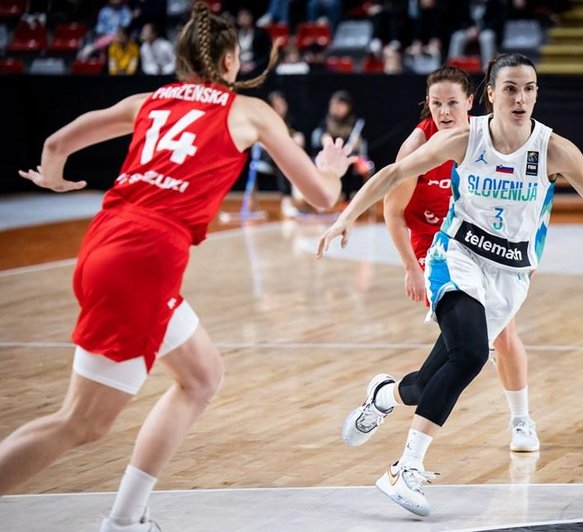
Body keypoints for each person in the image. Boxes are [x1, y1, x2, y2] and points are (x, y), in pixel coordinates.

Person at [0, 3, 355, 531]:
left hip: (104, 244)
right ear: (232, 60)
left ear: (184, 60)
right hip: (144, 262)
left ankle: (125, 519)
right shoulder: (249, 112)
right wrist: (331, 169)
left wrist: (54, 177)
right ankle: (120, 522)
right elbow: (323, 197)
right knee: (80, 422)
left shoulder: (149, 99)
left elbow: (56, 144)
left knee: (201, 376)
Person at [318, 52, 583, 517]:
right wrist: (345, 216)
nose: (520, 97)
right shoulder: (466, 138)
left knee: (429, 382)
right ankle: (405, 467)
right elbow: (394, 174)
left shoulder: (554, 149)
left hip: (511, 274)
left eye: (528, 88)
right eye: (509, 88)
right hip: (457, 257)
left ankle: (384, 395)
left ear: (537, 93)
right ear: (490, 94)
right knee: (471, 354)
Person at [383, 64, 539, 453]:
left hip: (484, 244)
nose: (445, 111)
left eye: (453, 102)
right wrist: (409, 267)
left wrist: (523, 253)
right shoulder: (418, 147)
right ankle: (411, 455)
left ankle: (520, 420)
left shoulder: (491, 137)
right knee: (477, 345)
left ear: (471, 101)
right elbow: (392, 210)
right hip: (433, 247)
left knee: (498, 336)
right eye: (436, 104)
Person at [311, 90, 370, 201]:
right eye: (333, 104)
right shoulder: (326, 122)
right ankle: (321, 198)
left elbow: (358, 142)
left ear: (348, 106)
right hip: (330, 157)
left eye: (340, 105)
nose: (336, 108)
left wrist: (350, 147)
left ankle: (348, 200)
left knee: (350, 162)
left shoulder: (355, 122)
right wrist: (330, 146)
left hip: (349, 157)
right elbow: (324, 137)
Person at [266, 90, 306, 217]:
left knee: (296, 159)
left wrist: (297, 140)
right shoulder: (267, 121)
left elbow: (300, 138)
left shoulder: (291, 121)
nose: (280, 108)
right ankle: (287, 200)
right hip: (271, 156)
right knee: (282, 163)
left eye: (281, 104)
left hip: (290, 156)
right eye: (276, 105)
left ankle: (304, 192)